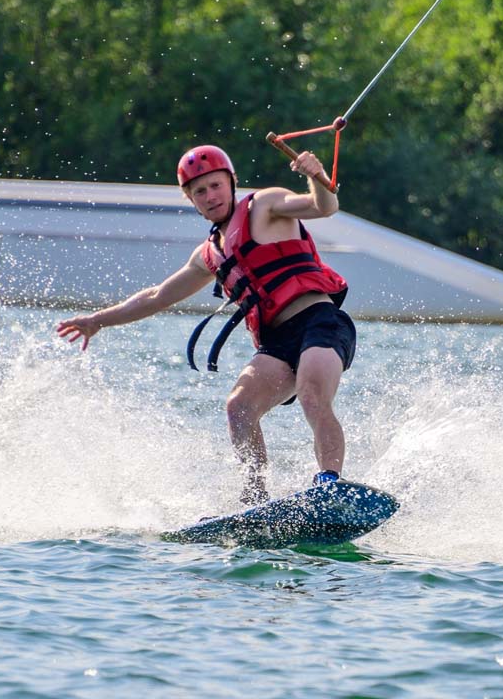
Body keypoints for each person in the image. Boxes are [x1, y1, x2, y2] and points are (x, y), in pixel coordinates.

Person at [56, 144, 355, 506]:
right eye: (200, 191)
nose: (210, 196)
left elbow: (325, 206)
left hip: (321, 322)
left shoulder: (267, 204)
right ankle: (255, 500)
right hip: (277, 343)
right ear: (191, 200)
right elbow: (156, 297)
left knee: (312, 395)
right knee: (239, 407)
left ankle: (329, 485)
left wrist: (315, 176)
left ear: (231, 183)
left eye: (215, 185)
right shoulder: (208, 255)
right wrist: (95, 321)